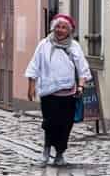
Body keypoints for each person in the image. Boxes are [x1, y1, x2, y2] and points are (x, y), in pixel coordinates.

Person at [24, 14, 92, 167]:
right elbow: (34, 65)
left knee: (65, 125)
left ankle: (60, 153)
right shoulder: (44, 44)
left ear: (69, 31)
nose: (60, 30)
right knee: (49, 123)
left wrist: (80, 86)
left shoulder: (74, 46)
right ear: (53, 28)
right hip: (49, 93)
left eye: (64, 28)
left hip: (68, 93)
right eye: (58, 27)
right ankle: (46, 151)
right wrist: (31, 86)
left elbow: (83, 69)